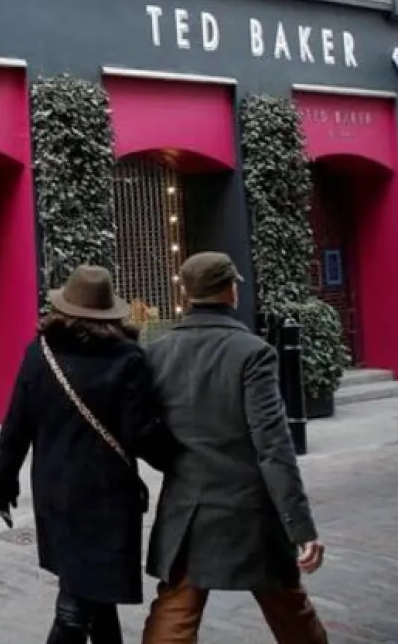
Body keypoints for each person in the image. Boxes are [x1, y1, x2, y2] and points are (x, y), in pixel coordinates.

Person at [141, 251, 328, 644]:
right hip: (250, 507)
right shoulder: (252, 352)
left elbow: (143, 430)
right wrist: (301, 527)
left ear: (189, 295)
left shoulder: (156, 352)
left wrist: (176, 462)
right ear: (231, 290)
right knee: (290, 610)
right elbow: (272, 445)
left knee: (174, 613)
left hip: (187, 505)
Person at [0, 265, 177, 644]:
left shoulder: (40, 353)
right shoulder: (127, 359)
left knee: (92, 589)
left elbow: (16, 425)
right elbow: (141, 433)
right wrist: (180, 459)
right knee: (79, 602)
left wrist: (2, 482)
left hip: (55, 490)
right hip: (106, 496)